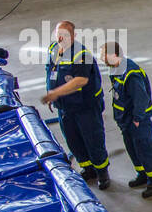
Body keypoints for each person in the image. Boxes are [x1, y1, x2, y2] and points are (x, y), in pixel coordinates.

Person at [42, 21, 109, 189]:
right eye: (58, 34)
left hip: (85, 107)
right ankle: (87, 168)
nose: (60, 38)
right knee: (73, 140)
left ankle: (102, 173)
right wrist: (53, 96)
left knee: (93, 139)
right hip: (65, 107)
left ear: (73, 36)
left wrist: (55, 93)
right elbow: (50, 72)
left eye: (64, 35)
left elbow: (80, 81)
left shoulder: (81, 55)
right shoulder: (53, 49)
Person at [101, 40, 152, 198]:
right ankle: (142, 174)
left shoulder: (131, 73)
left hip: (137, 121)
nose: (101, 58)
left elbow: (140, 98)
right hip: (125, 120)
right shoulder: (116, 69)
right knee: (132, 148)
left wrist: (137, 118)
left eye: (103, 55)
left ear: (114, 55)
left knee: (146, 148)